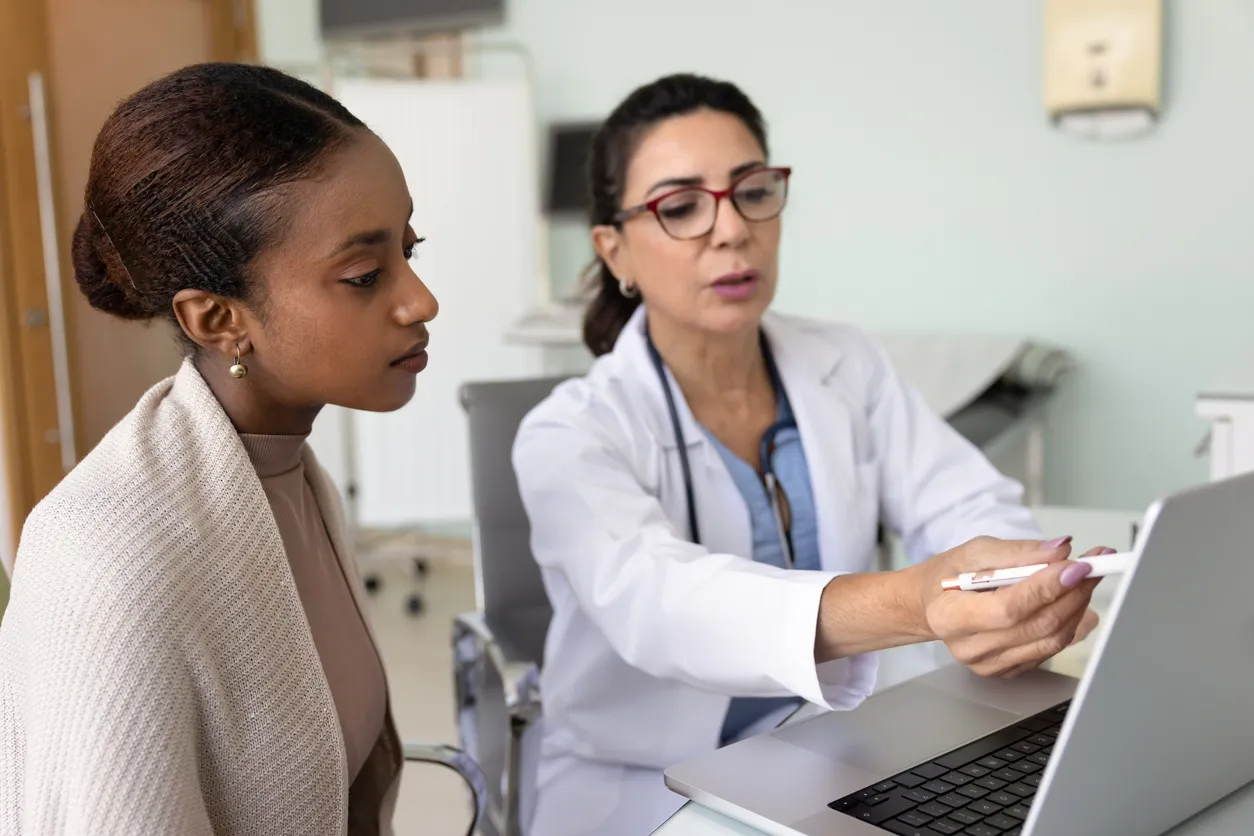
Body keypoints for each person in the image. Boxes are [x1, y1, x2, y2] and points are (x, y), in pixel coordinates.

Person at [510, 73, 1108, 836]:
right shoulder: (570, 433)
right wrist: (915, 599)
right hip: (645, 790)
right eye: (683, 206)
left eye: (753, 191)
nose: (731, 230)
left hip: (831, 754)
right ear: (614, 248)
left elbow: (962, 501)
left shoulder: (842, 361)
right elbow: (663, 605)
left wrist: (1012, 587)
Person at [0, 64, 437, 835]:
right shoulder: (104, 556)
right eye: (366, 274)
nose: (420, 299)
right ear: (214, 319)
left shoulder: (292, 477)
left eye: (410, 246)